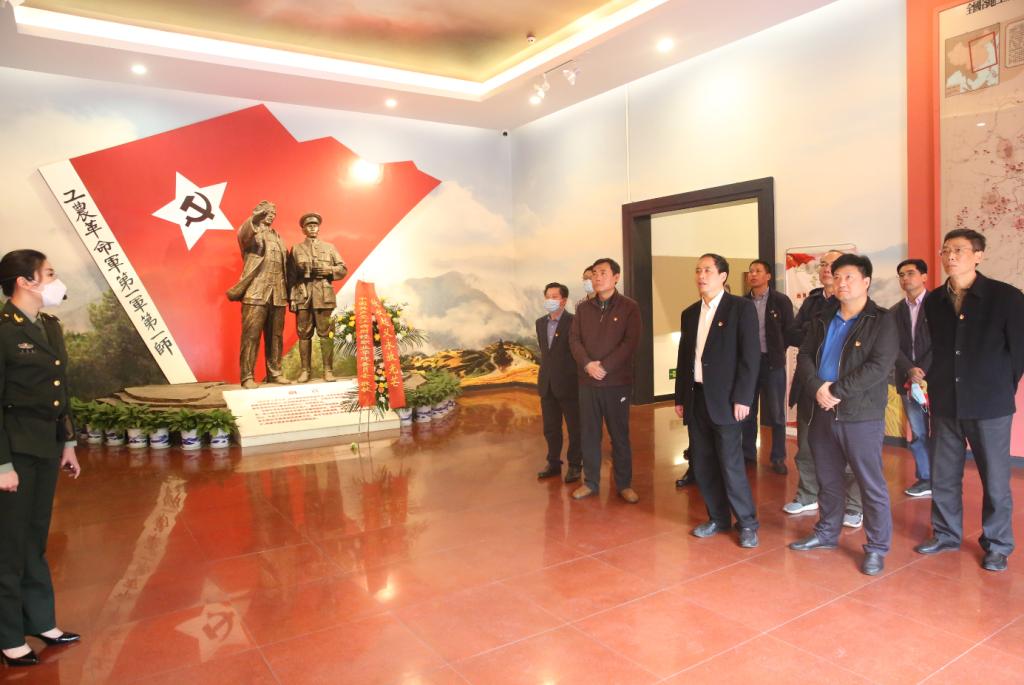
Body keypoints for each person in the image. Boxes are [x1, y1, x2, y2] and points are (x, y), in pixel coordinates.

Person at [915, 229, 1024, 572]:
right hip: (946, 400)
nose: (950, 256)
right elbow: (935, 348)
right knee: (944, 474)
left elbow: (1019, 353)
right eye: (945, 250)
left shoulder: (1006, 297)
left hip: (989, 403)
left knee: (995, 479)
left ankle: (997, 544)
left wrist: (1000, 386)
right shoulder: (934, 300)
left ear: (978, 255)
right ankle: (946, 534)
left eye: (959, 250)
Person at [789, 254, 898, 576]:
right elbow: (804, 354)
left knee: (869, 482)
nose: (841, 283)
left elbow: (879, 367)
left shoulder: (882, 320)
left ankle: (877, 547)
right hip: (821, 410)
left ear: (866, 281)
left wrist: (836, 390)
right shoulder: (822, 317)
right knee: (828, 477)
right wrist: (816, 388)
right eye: (837, 277)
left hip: (860, 414)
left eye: (849, 277)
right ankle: (826, 532)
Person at [0, 250, 82, 667]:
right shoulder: (3, 331)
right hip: (14, 450)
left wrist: (68, 443)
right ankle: (9, 635)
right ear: (24, 281)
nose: (55, 280)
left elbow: (60, 389)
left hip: (46, 446)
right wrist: (2, 465)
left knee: (35, 537)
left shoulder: (49, 326)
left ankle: (41, 621)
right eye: (48, 273)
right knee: (9, 544)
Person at [675, 254, 760, 548]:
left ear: (723, 276)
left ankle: (747, 523)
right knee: (703, 463)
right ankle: (718, 518)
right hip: (697, 398)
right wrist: (681, 396)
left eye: (708, 270)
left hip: (727, 400)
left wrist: (743, 397)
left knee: (731, 463)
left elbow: (750, 357)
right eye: (698, 270)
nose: (701, 275)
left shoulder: (740, 309)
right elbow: (684, 358)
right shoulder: (689, 313)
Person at [782, 250, 864, 528]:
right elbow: (792, 333)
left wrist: (813, 333)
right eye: (825, 265)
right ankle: (807, 495)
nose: (828, 269)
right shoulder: (813, 301)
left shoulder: (857, 305)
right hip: (811, 384)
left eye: (835, 266)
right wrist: (814, 332)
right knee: (806, 446)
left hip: (845, 390)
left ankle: (853, 506)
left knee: (850, 451)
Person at [569, 258, 642, 503]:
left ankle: (624, 484)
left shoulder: (629, 307)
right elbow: (574, 340)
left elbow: (630, 343)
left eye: (603, 272)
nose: (597, 277)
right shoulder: (583, 309)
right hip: (587, 382)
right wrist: (588, 365)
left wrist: (605, 367)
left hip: (616, 383)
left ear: (616, 277)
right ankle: (590, 482)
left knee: (619, 435)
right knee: (589, 434)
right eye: (594, 273)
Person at [226, 200, 293, 389]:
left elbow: (287, 267)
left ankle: (275, 373)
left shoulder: (278, 237)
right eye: (267, 212)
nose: (271, 215)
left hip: (278, 294)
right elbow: (243, 234)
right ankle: (247, 376)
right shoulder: (251, 233)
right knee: (251, 336)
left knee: (275, 337)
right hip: (256, 291)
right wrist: (255, 217)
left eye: (274, 213)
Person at [742, 259, 795, 475]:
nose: (753, 274)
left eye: (758, 271)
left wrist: (777, 351)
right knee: (747, 411)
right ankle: (747, 454)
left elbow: (789, 331)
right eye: (750, 271)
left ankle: (778, 457)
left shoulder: (781, 301)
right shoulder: (742, 303)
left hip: (772, 364)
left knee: (776, 414)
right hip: (748, 365)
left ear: (768, 276)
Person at [288, 213, 348, 383]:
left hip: (324, 295)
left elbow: (343, 269)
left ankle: (328, 370)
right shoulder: (296, 249)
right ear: (303, 229)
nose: (313, 228)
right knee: (303, 334)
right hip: (303, 295)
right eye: (309, 225)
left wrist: (329, 270)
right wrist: (292, 298)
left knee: (326, 334)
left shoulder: (329, 247)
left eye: (315, 225)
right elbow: (290, 276)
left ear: (319, 228)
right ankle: (305, 371)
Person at [892, 258, 932, 497]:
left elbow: (942, 341)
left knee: (944, 431)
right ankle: (925, 478)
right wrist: (909, 369)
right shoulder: (895, 312)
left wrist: (921, 370)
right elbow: (892, 346)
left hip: (937, 379)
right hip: (908, 381)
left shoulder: (937, 306)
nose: (905, 278)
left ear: (924, 276)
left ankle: (943, 477)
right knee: (918, 431)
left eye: (910, 273)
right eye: (901, 275)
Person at [535, 283, 582, 483]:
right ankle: (553, 463)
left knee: (575, 428)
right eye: (548, 296)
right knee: (551, 428)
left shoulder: (574, 321)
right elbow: (547, 353)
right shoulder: (540, 323)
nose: (550, 300)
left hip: (569, 384)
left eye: (555, 296)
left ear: (564, 300)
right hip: (547, 385)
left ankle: (575, 465)